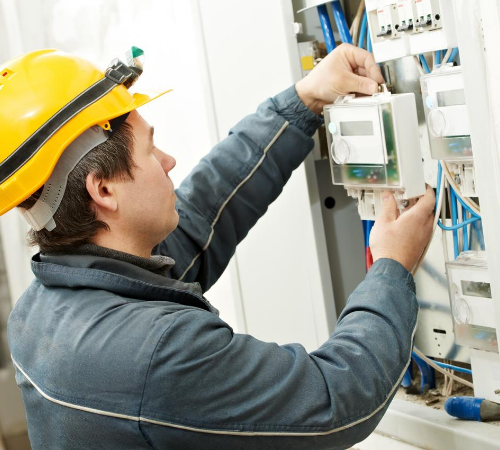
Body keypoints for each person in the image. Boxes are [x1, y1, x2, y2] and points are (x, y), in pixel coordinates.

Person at [3, 43, 435, 450]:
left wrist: (302, 102)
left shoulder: (42, 310)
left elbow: (205, 212)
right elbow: (339, 396)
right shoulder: (154, 353)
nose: (169, 162)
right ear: (104, 189)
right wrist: (392, 266)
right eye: (152, 151)